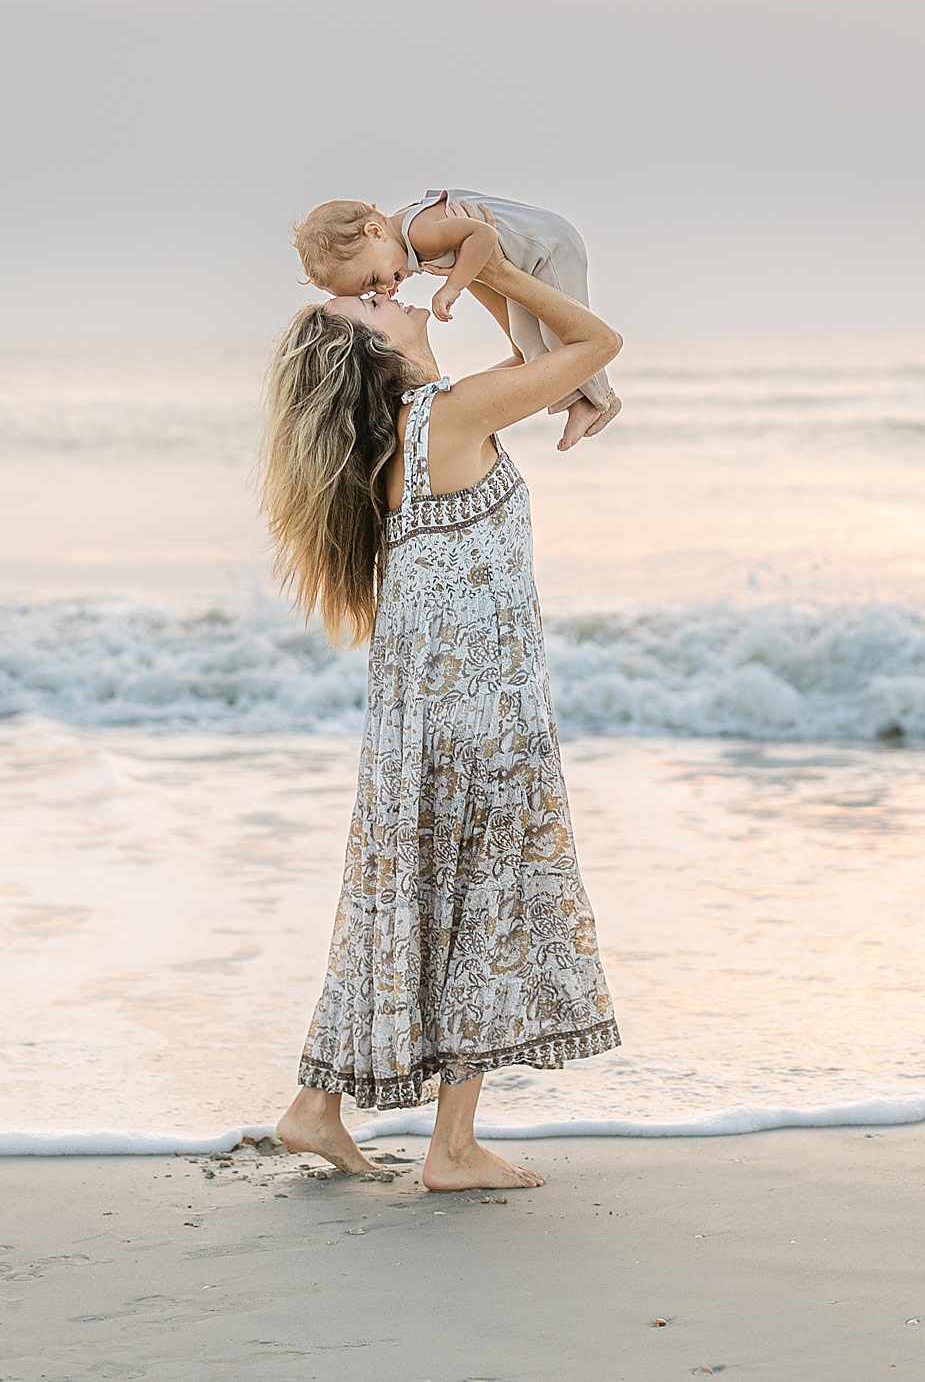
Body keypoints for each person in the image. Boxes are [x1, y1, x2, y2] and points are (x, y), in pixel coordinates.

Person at [259, 228, 624, 1190]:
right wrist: (494, 266)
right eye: (375, 302)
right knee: (481, 910)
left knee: (398, 904)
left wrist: (472, 275)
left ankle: (315, 1106)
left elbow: (533, 358)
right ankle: (451, 1149)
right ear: (379, 353)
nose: (392, 288)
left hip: (418, 720)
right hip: (477, 717)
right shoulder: (449, 418)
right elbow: (593, 346)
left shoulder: (410, 434)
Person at [292, 191, 621, 453]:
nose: (385, 290)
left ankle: (599, 398)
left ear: (375, 232)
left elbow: (483, 236)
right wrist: (483, 272)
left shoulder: (418, 233)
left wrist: (456, 284)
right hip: (525, 262)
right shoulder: (440, 417)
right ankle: (586, 399)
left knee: (554, 339)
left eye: (374, 283)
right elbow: (533, 355)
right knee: (535, 341)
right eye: (372, 297)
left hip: (550, 248)